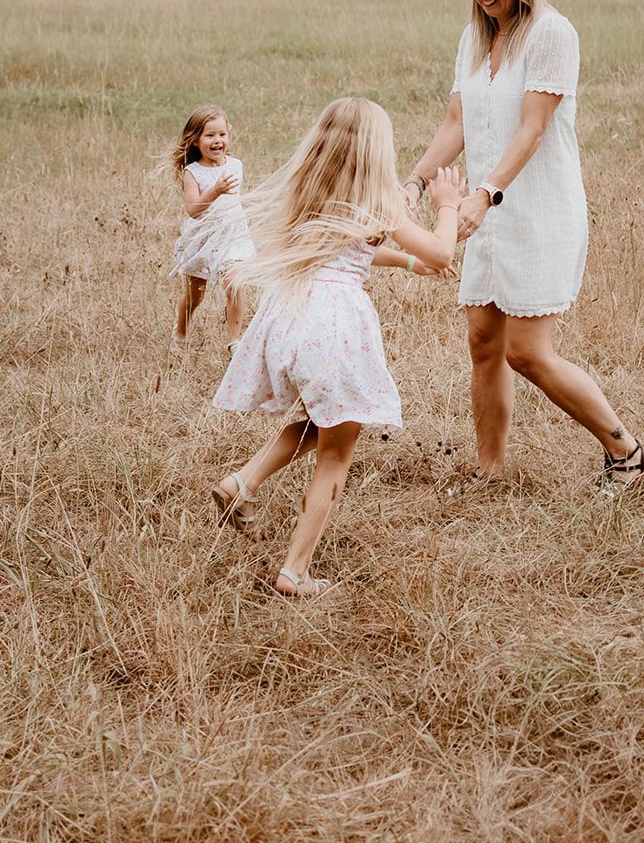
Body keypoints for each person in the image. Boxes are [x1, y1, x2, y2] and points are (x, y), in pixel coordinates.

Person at [404, 0, 644, 492]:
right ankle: (488, 469)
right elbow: (456, 123)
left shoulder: (552, 32)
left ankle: (627, 452)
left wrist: (485, 194)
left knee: (526, 352)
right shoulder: (474, 39)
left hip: (536, 208)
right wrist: (413, 186)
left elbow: (532, 129)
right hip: (484, 211)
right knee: (484, 342)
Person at [210, 97, 464, 598]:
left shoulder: (311, 187)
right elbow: (441, 248)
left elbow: (353, 249)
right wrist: (449, 208)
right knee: (336, 452)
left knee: (315, 419)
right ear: (377, 149)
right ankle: (295, 571)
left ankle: (241, 483)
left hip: (291, 315)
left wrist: (409, 265)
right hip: (335, 326)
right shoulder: (379, 196)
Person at [169, 105, 253, 355]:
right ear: (195, 140)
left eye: (222, 134)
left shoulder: (236, 165)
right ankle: (181, 333)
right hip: (203, 240)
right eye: (210, 135)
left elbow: (236, 200)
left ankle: (234, 343)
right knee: (195, 297)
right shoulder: (192, 172)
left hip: (232, 236)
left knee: (235, 284)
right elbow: (193, 210)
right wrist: (215, 190)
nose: (218, 141)